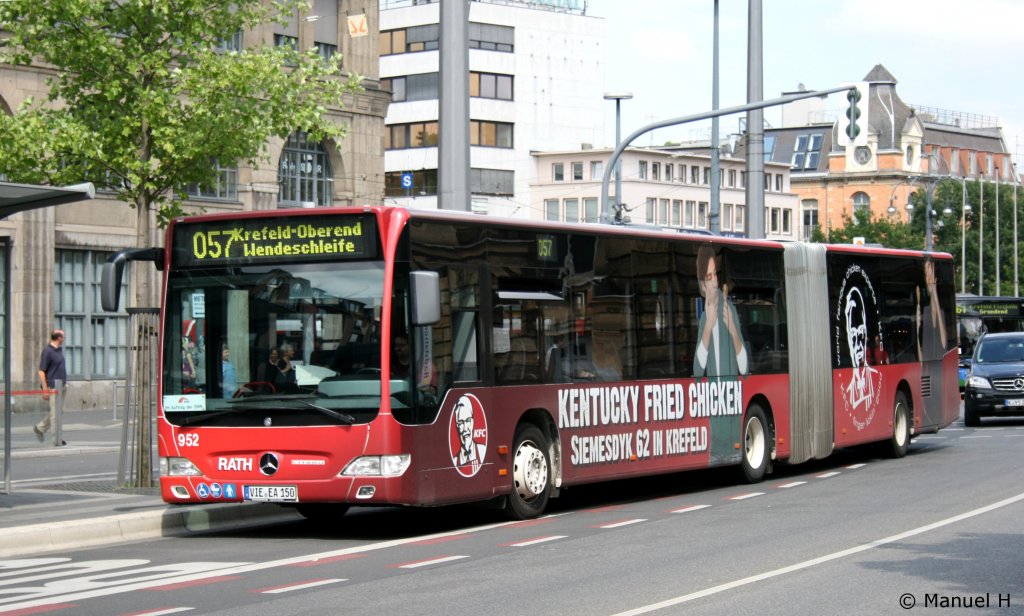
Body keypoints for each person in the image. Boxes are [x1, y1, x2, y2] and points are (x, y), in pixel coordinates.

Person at [694, 245, 748, 378]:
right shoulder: (704, 319)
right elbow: (697, 373)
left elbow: (745, 370)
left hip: (731, 395)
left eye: (714, 274)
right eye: (708, 277)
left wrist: (733, 331)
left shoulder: (729, 310)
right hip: (712, 396)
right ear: (703, 285)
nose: (714, 281)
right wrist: (708, 327)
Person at [34, 329, 67, 444]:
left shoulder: (58, 350)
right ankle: (56, 439)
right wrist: (45, 389)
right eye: (63, 336)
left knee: (59, 411)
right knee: (55, 413)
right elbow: (41, 371)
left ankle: (40, 428)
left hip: (62, 385)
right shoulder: (48, 351)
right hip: (53, 386)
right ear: (59, 338)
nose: (64, 338)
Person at [391, 332, 438, 399]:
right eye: (396, 346)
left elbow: (432, 390)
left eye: (402, 345)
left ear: (410, 346)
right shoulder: (391, 366)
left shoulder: (425, 365)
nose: (398, 349)